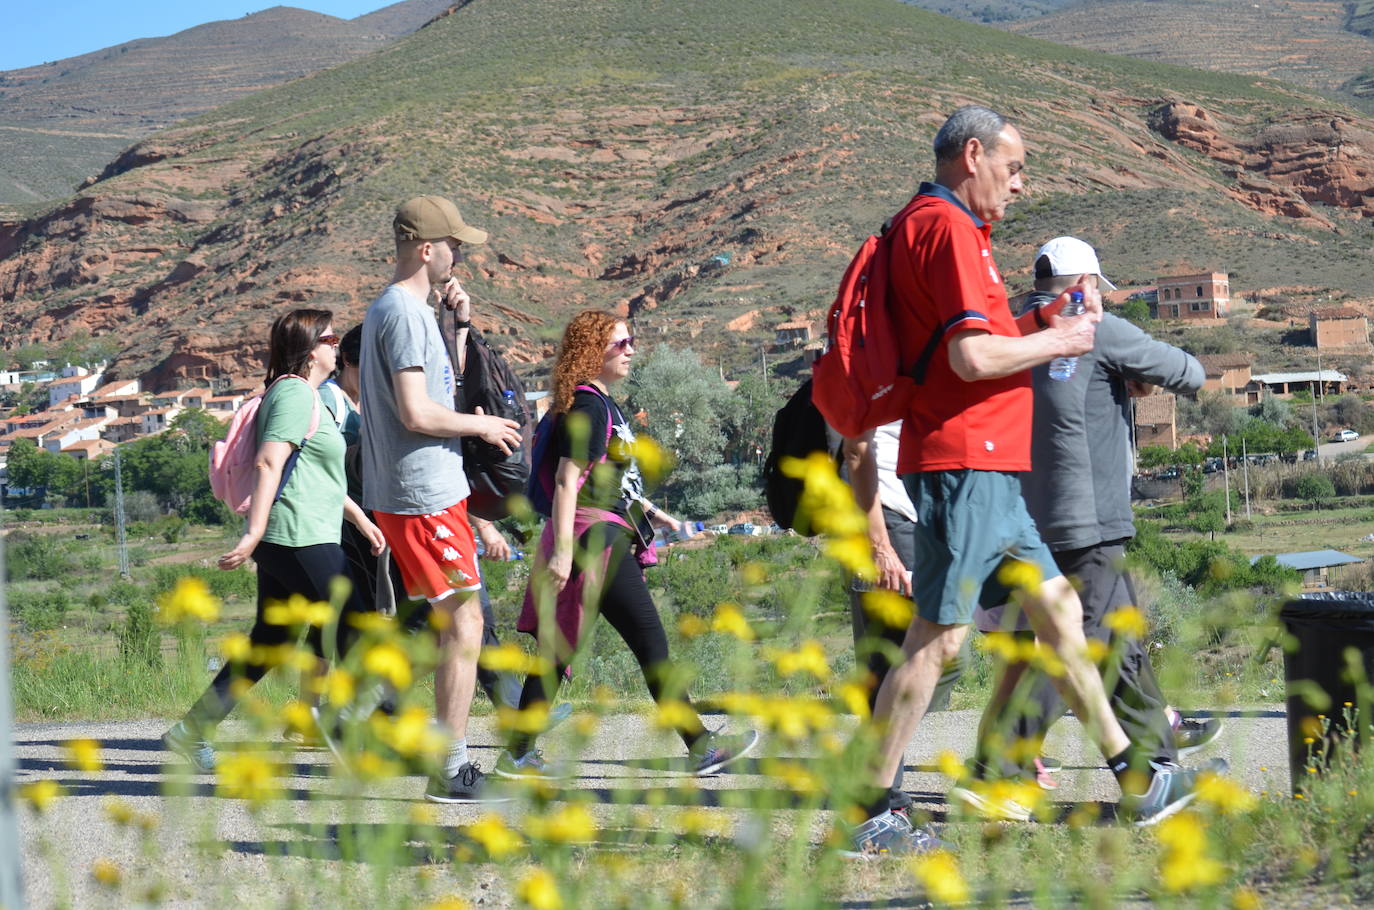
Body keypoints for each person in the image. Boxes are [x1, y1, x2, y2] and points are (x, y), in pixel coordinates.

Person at [845, 105, 1207, 856]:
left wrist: (1048, 333)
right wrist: (1068, 338)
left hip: (996, 473)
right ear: (972, 155)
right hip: (963, 461)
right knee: (937, 643)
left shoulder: (955, 229)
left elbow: (983, 345)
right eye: (1012, 170)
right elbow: (969, 361)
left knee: (1062, 620)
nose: (1019, 186)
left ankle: (1141, 781)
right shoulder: (941, 227)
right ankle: (869, 811)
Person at [970, 236, 1220, 783]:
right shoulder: (1094, 326)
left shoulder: (1010, 331)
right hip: (1089, 519)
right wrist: (1133, 367)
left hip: (1025, 519)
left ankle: (1157, 764)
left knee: (1120, 642)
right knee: (1082, 646)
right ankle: (1000, 766)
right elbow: (1190, 373)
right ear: (1083, 285)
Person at [496, 310, 757, 779]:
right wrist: (559, 555)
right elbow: (566, 479)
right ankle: (701, 747)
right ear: (593, 351)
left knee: (557, 653)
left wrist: (658, 516)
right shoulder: (589, 406)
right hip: (593, 540)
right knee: (651, 646)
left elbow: (613, 483)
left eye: (631, 341)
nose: (631, 350)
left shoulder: (602, 404)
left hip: (598, 533)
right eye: (620, 343)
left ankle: (517, 754)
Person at [162, 308, 385, 771]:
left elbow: (316, 475)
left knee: (273, 639)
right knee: (357, 618)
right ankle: (350, 722)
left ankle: (192, 730)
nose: (336, 344)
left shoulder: (308, 396)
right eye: (329, 337)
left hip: (305, 528)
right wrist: (254, 533)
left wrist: (361, 520)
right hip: (295, 533)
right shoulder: (293, 393)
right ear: (310, 347)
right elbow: (268, 464)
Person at [357, 195, 522, 803]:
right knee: (466, 622)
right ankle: (450, 769)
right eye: (454, 245)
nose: (461, 255)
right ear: (427, 249)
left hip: (428, 490)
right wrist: (483, 428)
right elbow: (417, 410)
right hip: (421, 493)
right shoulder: (401, 313)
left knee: (452, 621)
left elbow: (440, 383)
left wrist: (456, 323)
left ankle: (375, 703)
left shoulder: (412, 312)